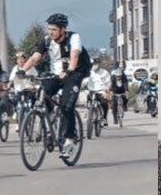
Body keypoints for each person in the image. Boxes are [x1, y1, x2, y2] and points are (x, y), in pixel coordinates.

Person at [19, 13, 92, 158]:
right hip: (55, 74)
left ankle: (69, 141)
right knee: (42, 93)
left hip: (74, 74)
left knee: (67, 106)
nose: (50, 32)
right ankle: (48, 120)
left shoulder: (73, 38)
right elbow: (34, 58)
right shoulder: (46, 41)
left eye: (53, 29)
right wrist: (22, 71)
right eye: (49, 29)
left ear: (62, 29)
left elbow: (74, 55)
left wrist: (70, 69)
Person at [8, 52, 38, 119]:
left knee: (32, 98)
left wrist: (32, 85)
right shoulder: (16, 68)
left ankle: (31, 112)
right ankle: (16, 112)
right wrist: (8, 85)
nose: (20, 61)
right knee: (14, 99)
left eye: (22, 59)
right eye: (18, 59)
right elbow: (11, 79)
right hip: (18, 88)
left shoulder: (31, 68)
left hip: (28, 88)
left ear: (25, 60)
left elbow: (35, 77)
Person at [82, 57, 110, 127]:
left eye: (96, 64)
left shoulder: (104, 72)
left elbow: (109, 82)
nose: (95, 65)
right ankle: (89, 114)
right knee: (89, 104)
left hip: (101, 91)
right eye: (93, 64)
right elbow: (84, 81)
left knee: (104, 103)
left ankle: (104, 118)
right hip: (91, 91)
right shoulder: (88, 72)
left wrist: (107, 91)